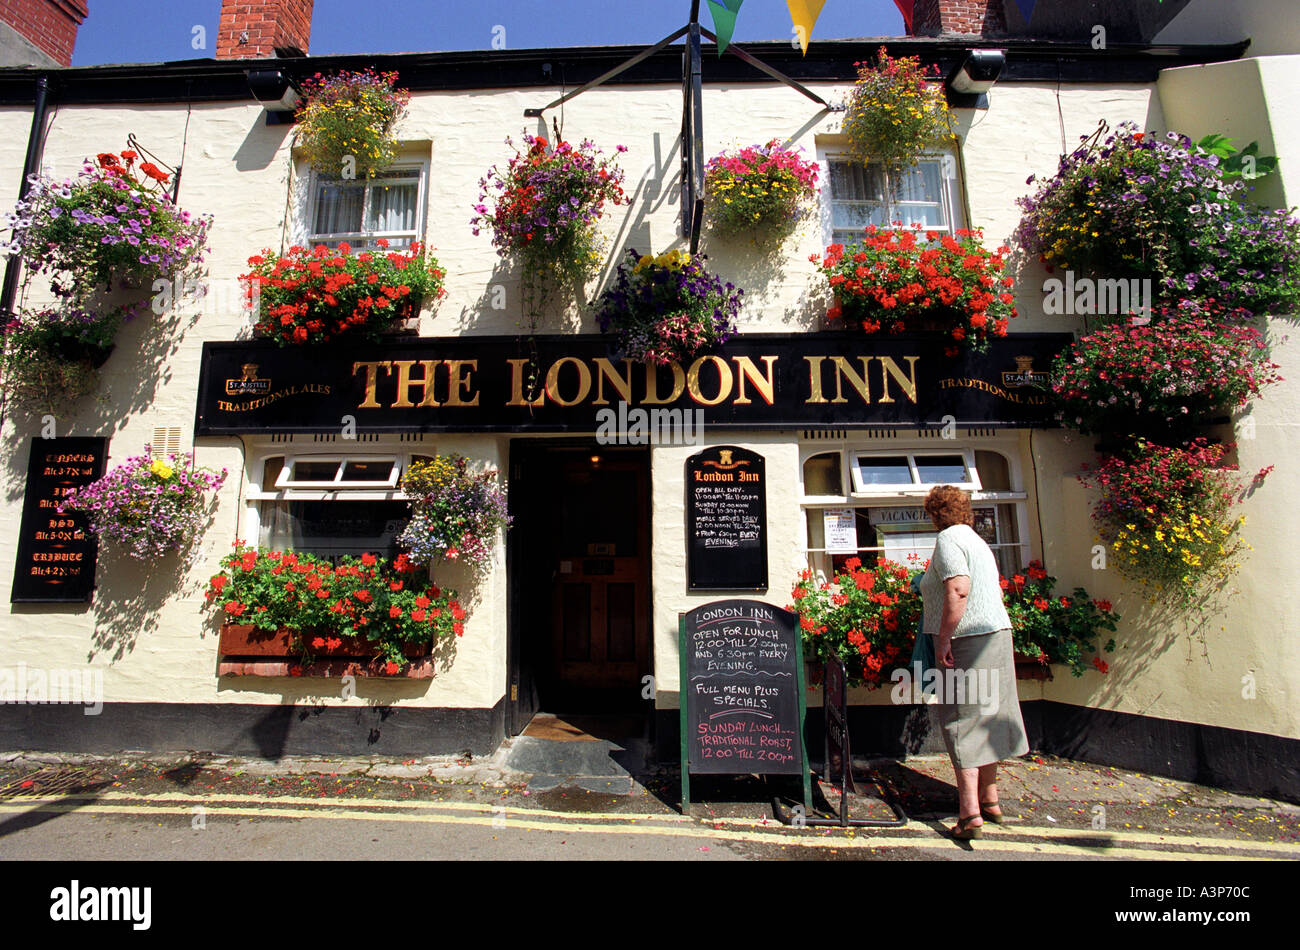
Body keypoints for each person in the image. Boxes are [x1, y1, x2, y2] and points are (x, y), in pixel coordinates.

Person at [919, 484, 1029, 840]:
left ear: (936, 513)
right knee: (990, 714)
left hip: (966, 639)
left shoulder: (949, 539)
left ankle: (969, 814)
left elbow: (959, 588)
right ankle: (990, 799)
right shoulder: (978, 542)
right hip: (996, 634)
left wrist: (945, 639)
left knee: (960, 717)